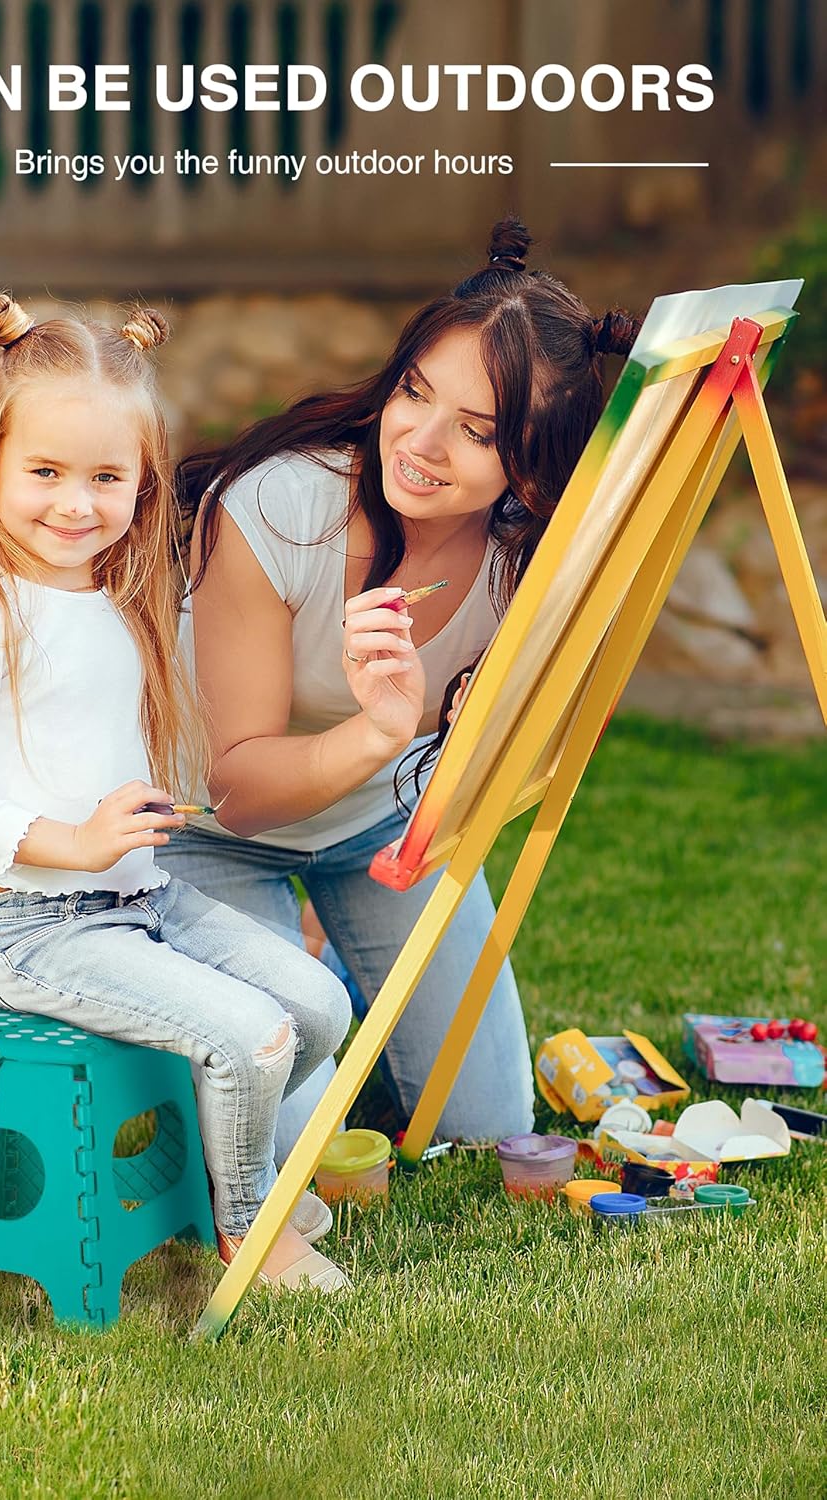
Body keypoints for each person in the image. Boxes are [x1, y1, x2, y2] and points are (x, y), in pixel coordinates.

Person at [0, 293, 353, 1291]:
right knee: (253, 1035)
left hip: (143, 901)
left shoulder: (117, 600)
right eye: (46, 473)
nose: (75, 503)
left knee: (318, 1005)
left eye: (106, 477)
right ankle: (247, 1231)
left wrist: (154, 814)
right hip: (29, 928)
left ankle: (228, 1174)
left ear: (144, 486)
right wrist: (73, 839)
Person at [169, 219, 642, 1160]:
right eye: (414, 393)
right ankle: (306, 982)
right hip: (203, 834)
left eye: (475, 432)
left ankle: (346, 970)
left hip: (379, 832)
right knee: (284, 1150)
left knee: (488, 1130)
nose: (420, 443)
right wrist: (382, 733)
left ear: (533, 470)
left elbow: (529, 750)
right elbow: (239, 791)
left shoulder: (527, 559)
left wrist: (488, 735)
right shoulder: (277, 505)